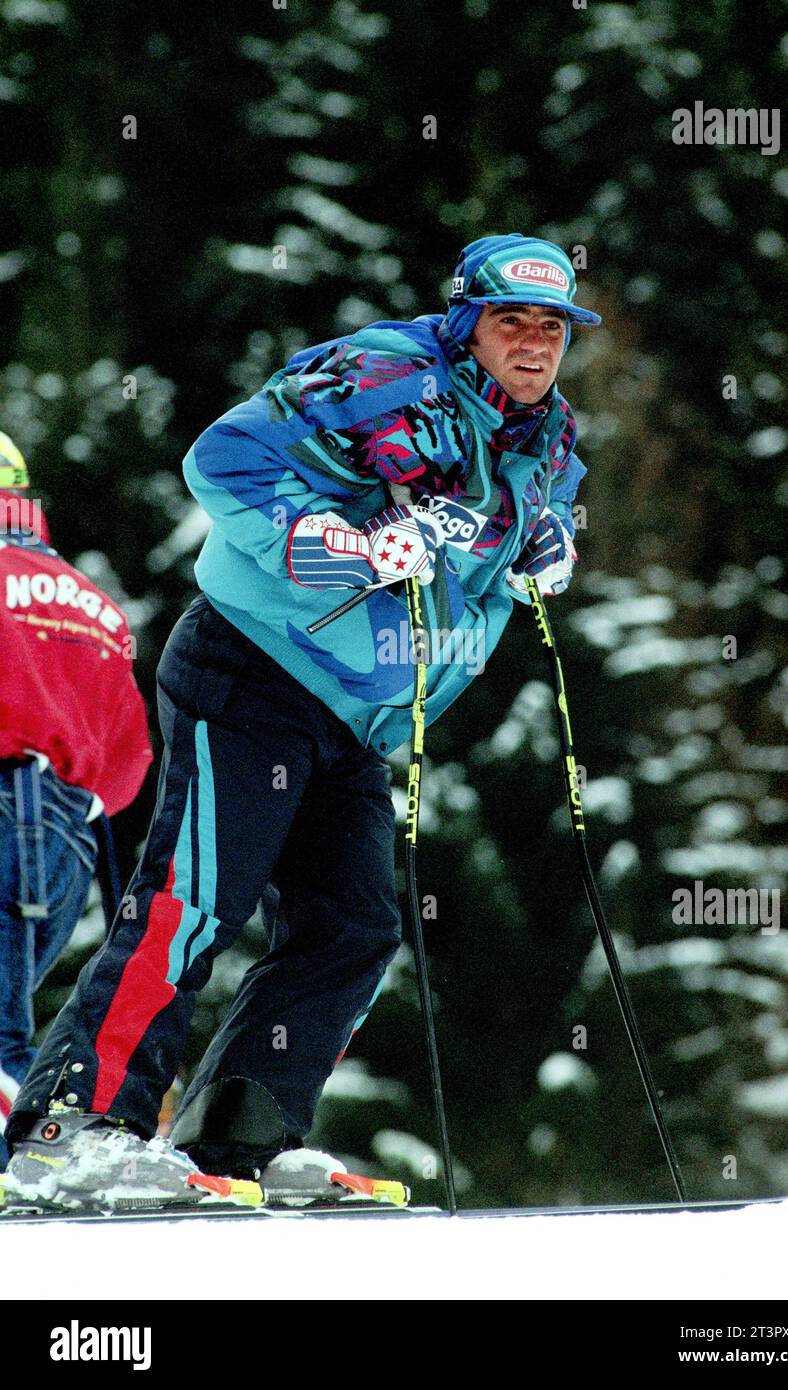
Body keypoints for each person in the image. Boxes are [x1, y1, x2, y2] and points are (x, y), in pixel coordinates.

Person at [4, 233, 600, 1210]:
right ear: (464, 323)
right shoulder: (381, 373)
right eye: (509, 321)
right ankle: (67, 1133)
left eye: (551, 328)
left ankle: (236, 1138)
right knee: (191, 900)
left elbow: (507, 542)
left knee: (353, 925)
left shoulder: (548, 437)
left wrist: (546, 552)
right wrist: (349, 548)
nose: (533, 345)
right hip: (251, 663)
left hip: (358, 715)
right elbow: (223, 461)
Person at [0, 433, 152, 1170]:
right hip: (69, 835)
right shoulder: (94, 603)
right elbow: (129, 757)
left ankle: (33, 1161)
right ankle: (43, 1157)